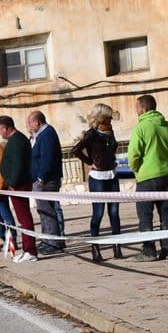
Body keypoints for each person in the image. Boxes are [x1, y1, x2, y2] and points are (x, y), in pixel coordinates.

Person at [127, 94, 168, 261]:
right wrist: (165, 161)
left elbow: (133, 155)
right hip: (165, 175)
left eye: (137, 107)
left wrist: (137, 169)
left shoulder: (140, 128)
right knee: (165, 212)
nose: (135, 110)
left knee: (145, 214)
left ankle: (149, 251)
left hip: (146, 177)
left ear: (144, 108)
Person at [72, 103, 123, 262]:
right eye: (108, 117)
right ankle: (95, 248)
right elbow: (76, 150)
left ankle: (117, 246)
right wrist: (89, 162)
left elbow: (112, 149)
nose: (111, 119)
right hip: (98, 178)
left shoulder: (110, 131)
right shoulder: (91, 134)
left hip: (112, 175)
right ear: (102, 117)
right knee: (98, 213)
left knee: (114, 213)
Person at [0, 115, 38, 262]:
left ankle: (30, 251)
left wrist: (12, 182)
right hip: (15, 184)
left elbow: (18, 164)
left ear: (5, 128)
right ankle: (27, 249)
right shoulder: (14, 140)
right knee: (22, 218)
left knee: (24, 218)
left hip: (18, 185)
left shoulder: (18, 141)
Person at [27, 111, 65, 255]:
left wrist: (41, 177)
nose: (28, 126)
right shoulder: (40, 135)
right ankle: (47, 240)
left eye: (30, 123)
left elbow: (47, 158)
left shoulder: (47, 134)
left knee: (48, 211)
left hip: (46, 180)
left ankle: (53, 243)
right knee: (43, 211)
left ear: (37, 122)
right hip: (40, 179)